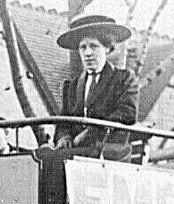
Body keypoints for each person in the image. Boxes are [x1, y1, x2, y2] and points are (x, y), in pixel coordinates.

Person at [53, 14, 138, 156]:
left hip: (110, 152)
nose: (87, 53)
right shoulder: (72, 86)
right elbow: (63, 122)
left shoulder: (123, 80)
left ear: (107, 48)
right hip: (77, 152)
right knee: (44, 156)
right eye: (83, 47)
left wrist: (89, 133)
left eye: (94, 46)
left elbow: (126, 114)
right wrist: (64, 137)